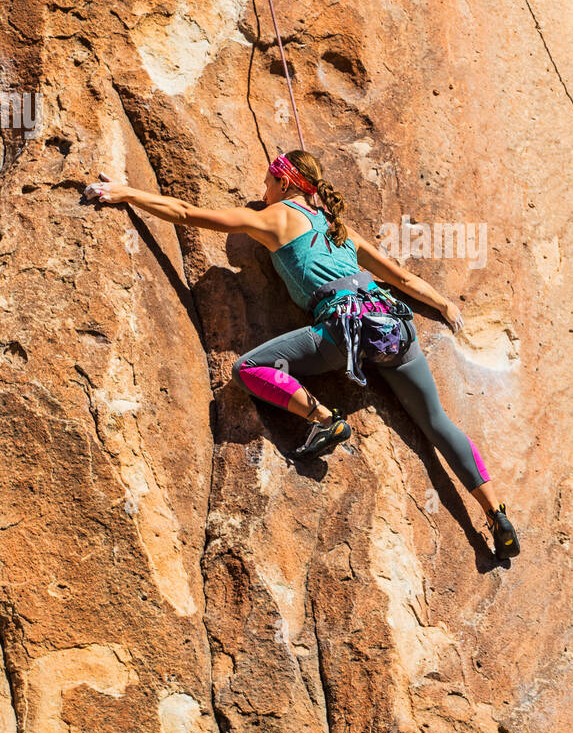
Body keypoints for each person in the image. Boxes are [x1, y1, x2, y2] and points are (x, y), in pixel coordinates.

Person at [85, 151, 519, 560]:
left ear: (283, 181)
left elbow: (186, 213)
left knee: (248, 368)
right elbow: (399, 276)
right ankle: (496, 513)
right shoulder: (337, 227)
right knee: (438, 423)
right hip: (393, 326)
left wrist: (126, 193)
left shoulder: (273, 218)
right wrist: (444, 305)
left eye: (267, 183)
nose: (263, 192)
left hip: (343, 330)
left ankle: (325, 421)